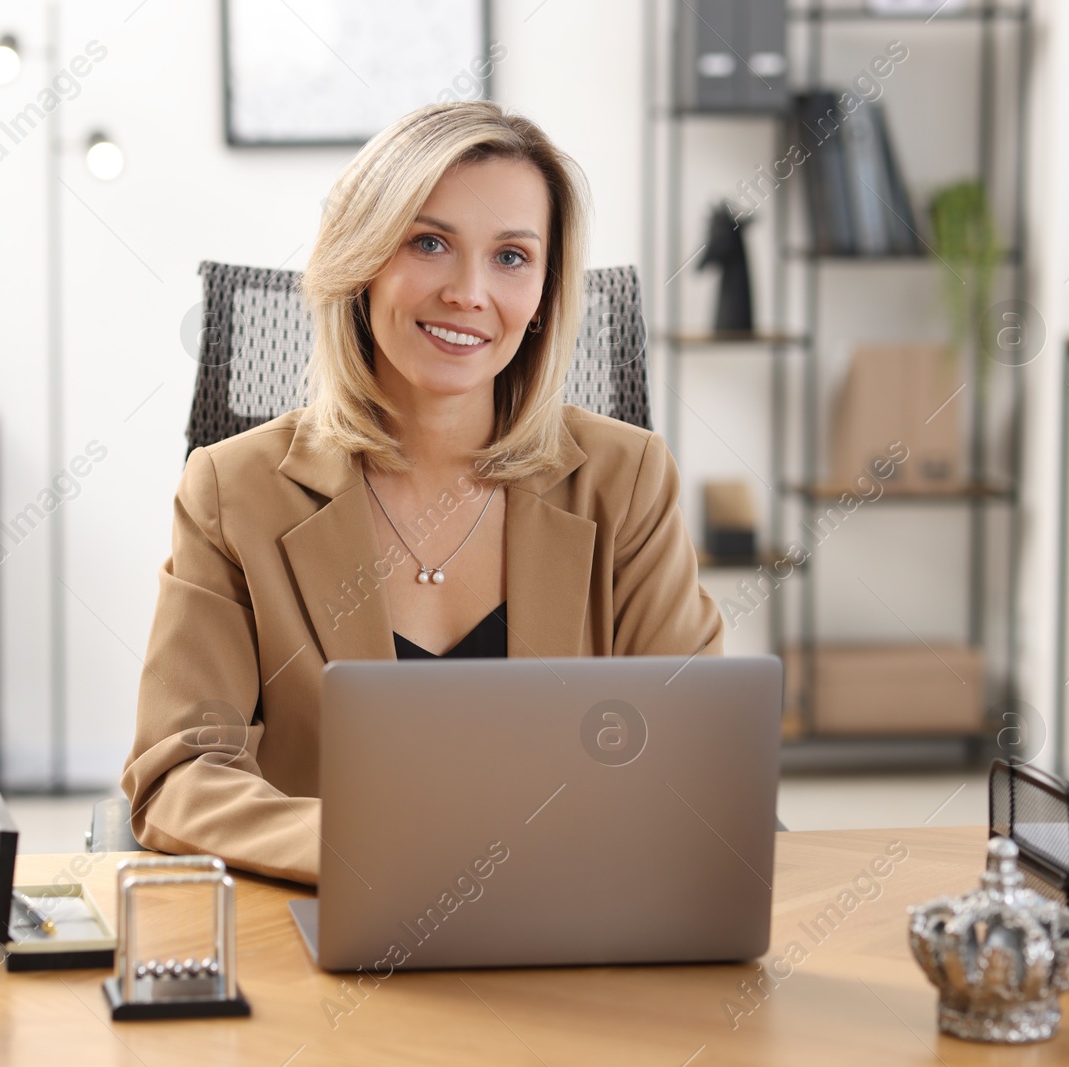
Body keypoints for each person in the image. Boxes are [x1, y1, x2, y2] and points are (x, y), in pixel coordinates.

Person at [121, 101, 723, 885]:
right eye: (429, 243)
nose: (470, 292)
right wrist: (376, 848)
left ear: (544, 293)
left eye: (512, 256)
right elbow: (180, 773)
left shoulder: (625, 479)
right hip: (334, 937)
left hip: (568, 928)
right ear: (363, 259)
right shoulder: (232, 492)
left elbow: (696, 751)